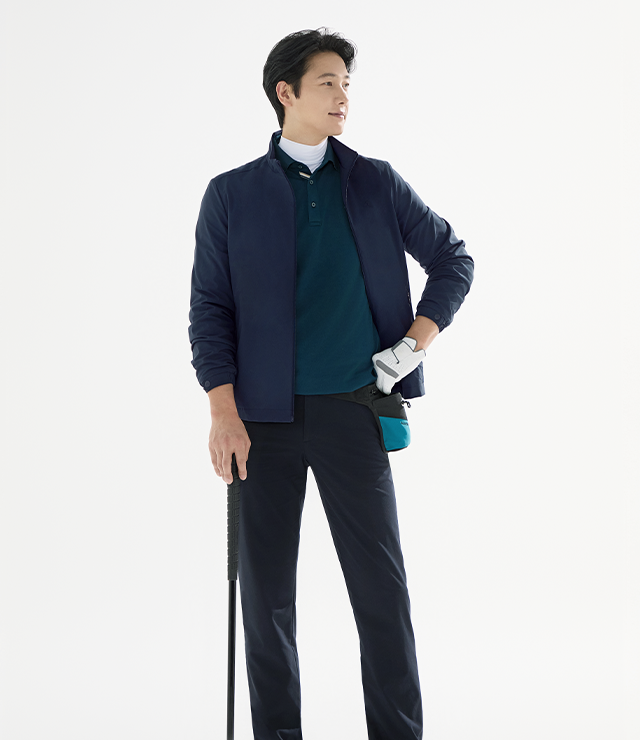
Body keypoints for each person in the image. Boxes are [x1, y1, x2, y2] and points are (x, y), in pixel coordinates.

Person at [188, 26, 474, 740]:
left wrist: (413, 345)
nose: (343, 95)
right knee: (266, 603)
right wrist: (222, 412)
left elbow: (453, 259)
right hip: (261, 424)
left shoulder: (376, 181)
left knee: (381, 595)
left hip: (355, 413)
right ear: (285, 92)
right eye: (327, 83)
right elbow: (209, 310)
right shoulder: (231, 195)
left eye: (347, 83)